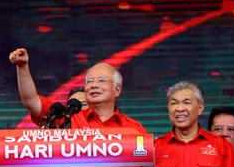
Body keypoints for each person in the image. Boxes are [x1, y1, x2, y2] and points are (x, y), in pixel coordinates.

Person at [9, 47, 147, 132]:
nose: (94, 85)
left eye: (102, 80)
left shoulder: (133, 129)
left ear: (117, 90)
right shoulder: (68, 118)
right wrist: (22, 67)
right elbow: (30, 100)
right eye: (89, 81)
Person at [154, 80, 234, 167]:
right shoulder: (156, 147)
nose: (179, 108)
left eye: (186, 102)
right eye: (174, 103)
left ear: (200, 108)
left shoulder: (221, 146)